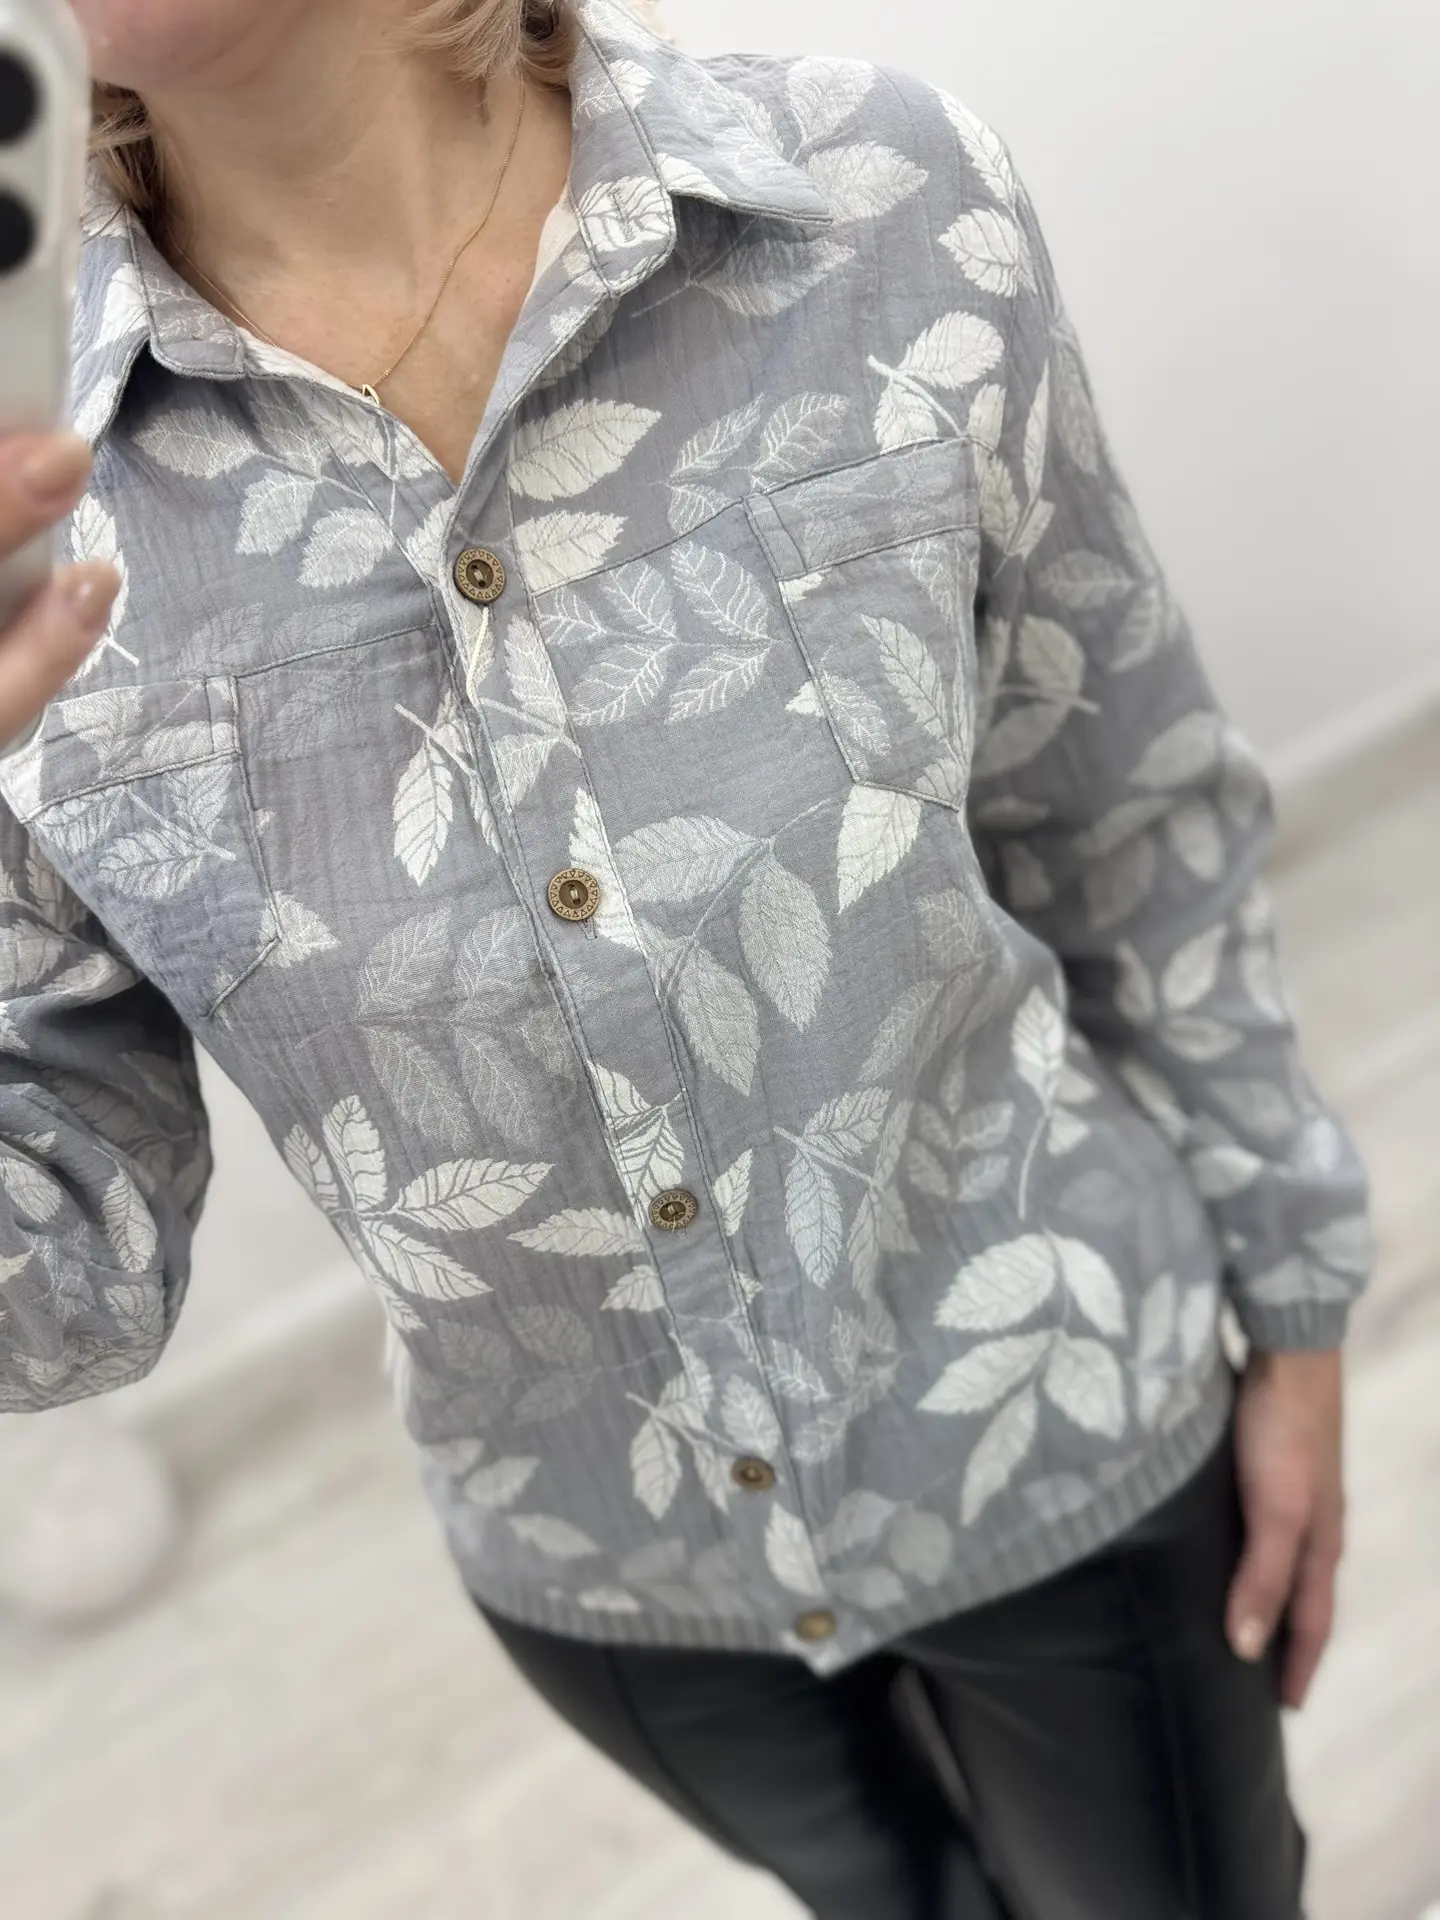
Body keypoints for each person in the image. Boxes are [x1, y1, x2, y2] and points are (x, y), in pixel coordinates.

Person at [0, 1, 1373, 1914]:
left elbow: (1123, 804)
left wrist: (1296, 1293)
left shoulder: (877, 201)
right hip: (610, 1572)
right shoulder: (30, 493)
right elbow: (67, 1278)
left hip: (1055, 1421)